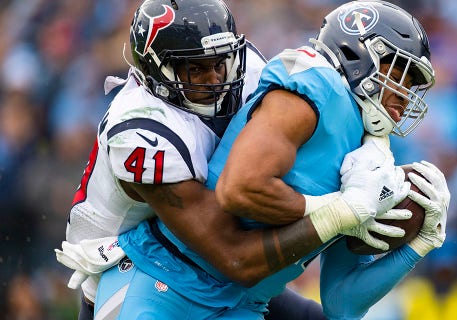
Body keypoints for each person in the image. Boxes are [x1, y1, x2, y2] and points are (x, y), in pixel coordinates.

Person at [54, 0, 412, 319]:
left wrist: (375, 149)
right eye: (195, 68)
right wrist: (340, 212)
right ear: (157, 72)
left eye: (220, 62)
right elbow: (232, 253)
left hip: (222, 280)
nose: (215, 78)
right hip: (139, 271)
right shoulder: (142, 131)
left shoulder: (246, 70)